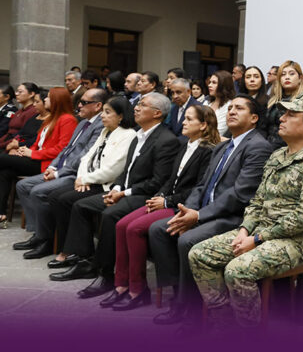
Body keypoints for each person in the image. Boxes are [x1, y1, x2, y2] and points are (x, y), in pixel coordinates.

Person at [189, 92, 303, 328]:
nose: (282, 118)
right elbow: (257, 201)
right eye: (284, 113)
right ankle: (225, 321)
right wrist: (244, 229)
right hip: (261, 231)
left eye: (291, 114)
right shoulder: (277, 155)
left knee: (237, 270)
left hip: (299, 240)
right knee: (200, 254)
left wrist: (257, 239)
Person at [148, 95, 270, 326]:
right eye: (230, 107)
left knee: (187, 240)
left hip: (234, 217)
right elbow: (202, 185)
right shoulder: (223, 146)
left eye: (239, 108)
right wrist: (189, 210)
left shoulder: (258, 147)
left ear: (254, 118)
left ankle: (192, 311)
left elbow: (240, 194)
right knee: (158, 230)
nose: (232, 111)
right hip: (205, 210)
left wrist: (199, 216)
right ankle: (180, 296)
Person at [49, 93, 180, 302]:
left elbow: (157, 182)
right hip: (123, 190)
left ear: (157, 113)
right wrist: (116, 188)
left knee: (111, 215)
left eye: (142, 105)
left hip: (144, 195)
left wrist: (123, 193)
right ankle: (86, 261)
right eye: (137, 104)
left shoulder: (166, 140)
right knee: (81, 205)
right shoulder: (139, 135)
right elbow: (125, 170)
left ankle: (107, 276)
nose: (136, 108)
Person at [103, 105, 220, 311]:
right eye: (184, 118)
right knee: (121, 225)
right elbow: (170, 179)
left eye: (189, 119)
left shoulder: (208, 152)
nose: (183, 122)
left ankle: (137, 291)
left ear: (203, 125)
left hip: (182, 206)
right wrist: (159, 196)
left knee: (135, 228)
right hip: (166, 199)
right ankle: (121, 285)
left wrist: (166, 202)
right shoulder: (184, 145)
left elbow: (197, 189)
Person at [43, 96, 136, 265]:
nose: (102, 116)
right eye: (102, 112)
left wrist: (86, 179)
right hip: (89, 181)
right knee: (55, 196)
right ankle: (66, 247)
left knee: (67, 200)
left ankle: (77, 253)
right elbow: (86, 157)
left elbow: (113, 169)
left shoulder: (128, 135)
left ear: (121, 116)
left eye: (108, 112)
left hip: (106, 185)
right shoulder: (105, 131)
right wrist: (81, 178)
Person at [13, 88, 106, 256]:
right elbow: (66, 149)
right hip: (61, 168)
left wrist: (58, 173)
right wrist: (53, 167)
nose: (79, 105)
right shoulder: (83, 123)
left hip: (74, 174)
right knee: (23, 185)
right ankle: (38, 234)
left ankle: (46, 240)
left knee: (38, 191)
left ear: (98, 105)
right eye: (80, 102)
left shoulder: (99, 126)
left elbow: (84, 156)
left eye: (84, 102)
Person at [0, 88, 77, 227]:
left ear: (56, 101)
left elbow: (62, 150)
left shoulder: (68, 120)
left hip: (46, 164)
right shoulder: (51, 118)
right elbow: (37, 143)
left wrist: (32, 153)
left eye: (47, 97)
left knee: (2, 159)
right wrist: (25, 150)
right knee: (5, 172)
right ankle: (3, 215)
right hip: (36, 158)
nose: (45, 100)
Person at [262, 60, 303, 149]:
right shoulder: (272, 100)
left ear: (300, 78)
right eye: (283, 74)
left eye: (291, 74)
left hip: (289, 148)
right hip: (266, 146)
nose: (287, 77)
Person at [0, 83, 38, 150]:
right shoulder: (19, 111)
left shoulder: (33, 111)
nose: (16, 94)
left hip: (16, 145)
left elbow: (24, 135)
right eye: (16, 91)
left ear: (31, 94)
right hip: (7, 142)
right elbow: (9, 132)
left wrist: (8, 145)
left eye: (20, 92)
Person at [205, 70, 236, 137]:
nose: (209, 85)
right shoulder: (206, 103)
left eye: (214, 83)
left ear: (223, 85)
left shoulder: (229, 106)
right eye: (210, 82)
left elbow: (219, 131)